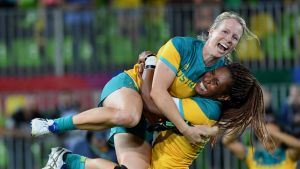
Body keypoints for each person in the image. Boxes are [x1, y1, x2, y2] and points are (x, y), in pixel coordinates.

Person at [32, 11, 258, 169]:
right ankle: (52, 125)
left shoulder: (222, 75)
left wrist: (216, 129)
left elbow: (220, 106)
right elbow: (155, 95)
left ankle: (66, 161)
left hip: (148, 119)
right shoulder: (182, 46)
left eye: (235, 37)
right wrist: (185, 129)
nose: (229, 39)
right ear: (211, 30)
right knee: (129, 115)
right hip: (132, 87)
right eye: (225, 32)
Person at [41, 61, 271, 169]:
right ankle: (56, 134)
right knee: (127, 117)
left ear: (223, 97)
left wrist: (150, 66)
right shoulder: (203, 98)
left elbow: (153, 101)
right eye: (211, 74)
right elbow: (153, 101)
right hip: (135, 105)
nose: (207, 79)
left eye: (215, 82)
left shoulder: (206, 109)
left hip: (155, 148)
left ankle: (66, 160)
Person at [222, 120, 300, 169]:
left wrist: (274, 133)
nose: (267, 135)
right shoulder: (253, 155)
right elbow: (227, 141)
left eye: (273, 133)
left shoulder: (288, 156)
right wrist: (243, 122)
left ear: (281, 139)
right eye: (264, 132)